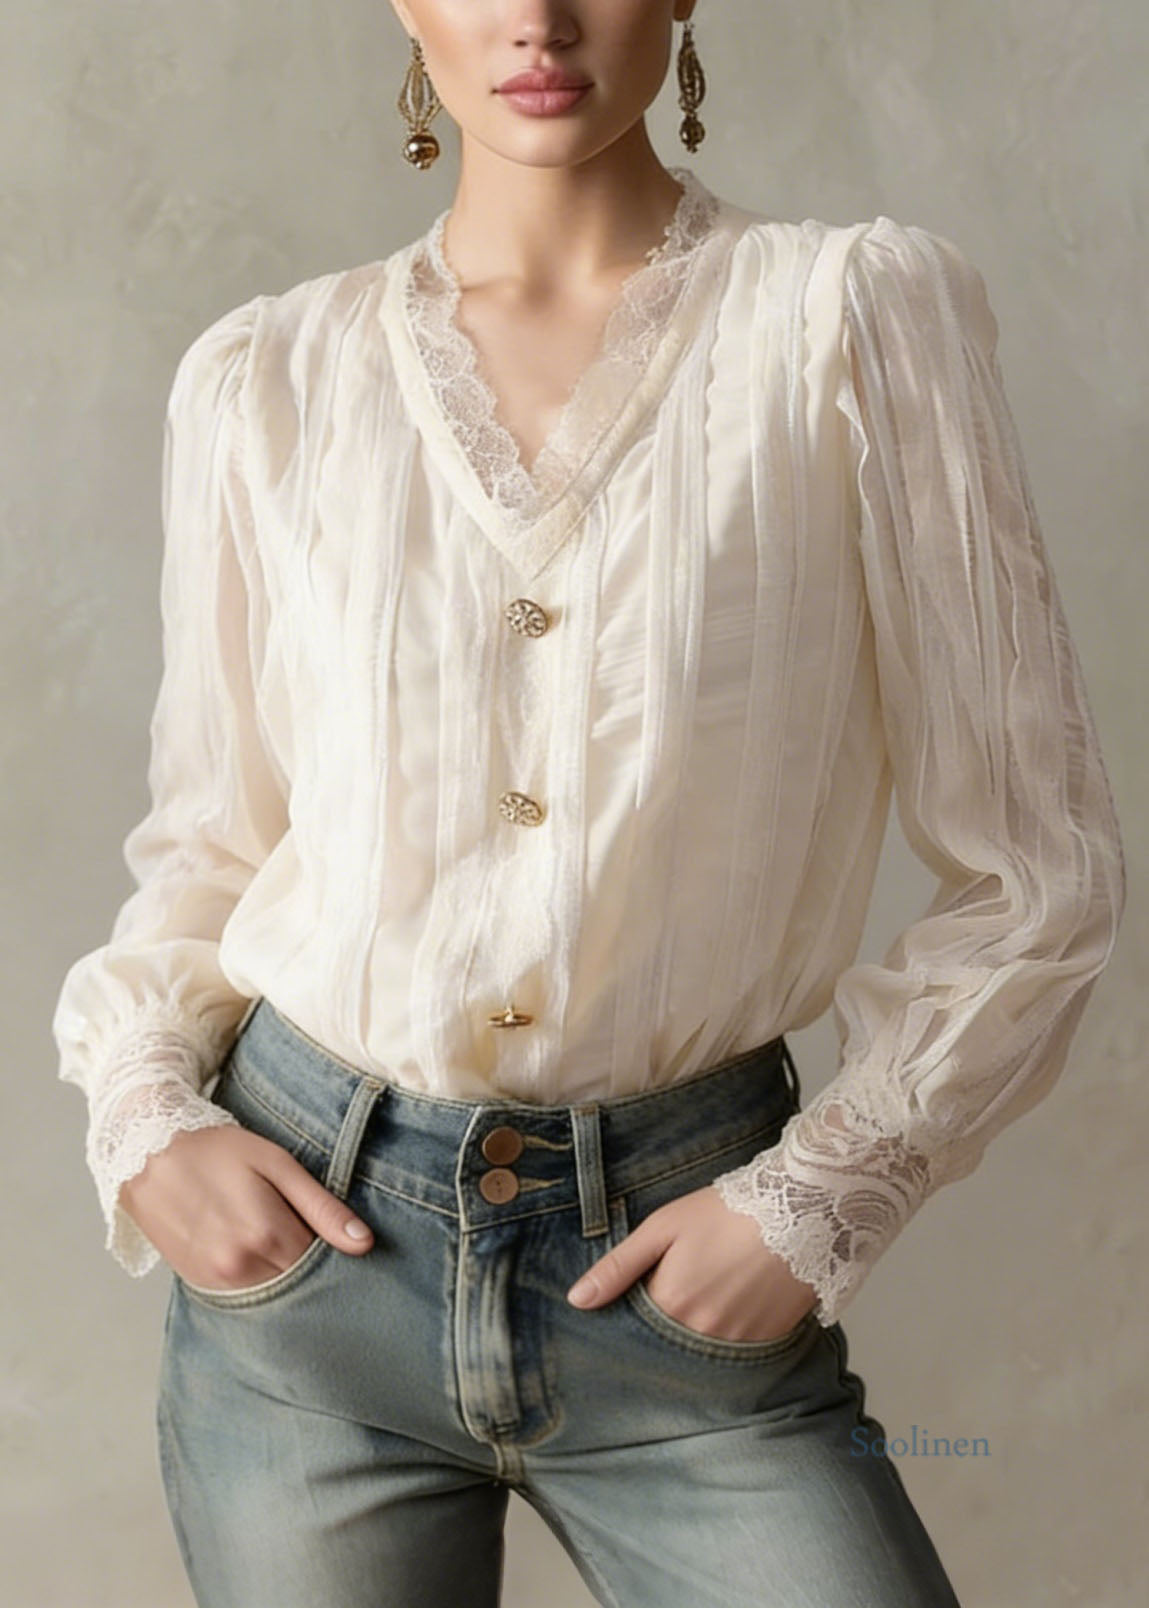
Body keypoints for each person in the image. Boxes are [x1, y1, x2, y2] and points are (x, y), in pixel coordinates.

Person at [51, 2, 1126, 1605]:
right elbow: (214, 846)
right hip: (303, 1288)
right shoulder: (270, 376)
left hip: (687, 1268)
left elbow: (1038, 868)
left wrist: (824, 1191)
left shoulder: (848, 320)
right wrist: (145, 1116)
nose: (539, 19)